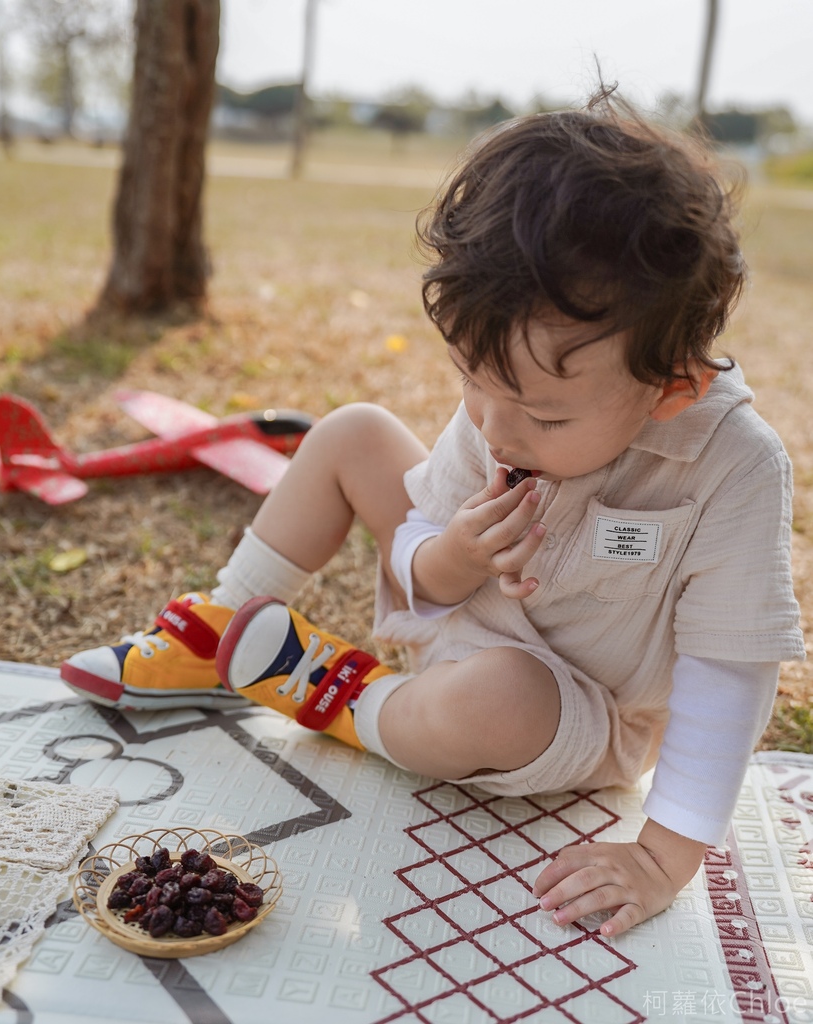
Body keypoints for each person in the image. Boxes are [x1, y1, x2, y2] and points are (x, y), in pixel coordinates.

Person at [60, 89, 805, 939]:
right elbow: (416, 542)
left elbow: (727, 675)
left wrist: (661, 855)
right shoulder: (506, 395)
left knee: (496, 692)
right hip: (461, 610)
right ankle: (217, 626)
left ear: (673, 389)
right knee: (351, 433)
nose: (492, 427)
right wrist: (447, 558)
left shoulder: (735, 468)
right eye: (469, 383)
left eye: (544, 417)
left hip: (571, 710)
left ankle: (345, 699)